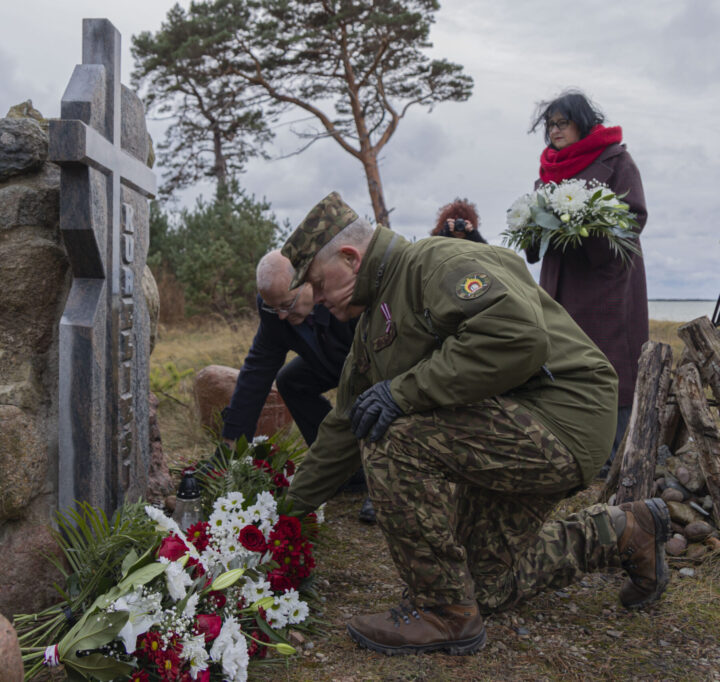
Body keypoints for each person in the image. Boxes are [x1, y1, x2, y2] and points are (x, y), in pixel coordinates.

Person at [279, 191, 670, 656]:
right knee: (485, 589)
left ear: (350, 256)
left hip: (564, 416)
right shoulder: (373, 321)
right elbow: (345, 423)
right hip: (515, 422)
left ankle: (442, 611)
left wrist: (402, 392)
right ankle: (623, 531)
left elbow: (518, 339)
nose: (317, 299)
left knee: (392, 437)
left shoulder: (437, 264)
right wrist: (285, 514)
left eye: (320, 284)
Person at [525, 90, 649, 474]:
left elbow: (634, 217)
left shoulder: (616, 160)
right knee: (563, 359)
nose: (555, 131)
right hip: (560, 284)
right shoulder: (549, 169)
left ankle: (617, 455)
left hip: (606, 284)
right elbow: (537, 227)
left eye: (562, 122)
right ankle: (572, 446)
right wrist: (532, 229)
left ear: (582, 121)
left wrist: (583, 229)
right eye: (550, 125)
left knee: (612, 365)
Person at [221, 250, 373, 522]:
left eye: (287, 305)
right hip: (328, 359)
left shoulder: (342, 293)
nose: (280, 316)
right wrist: (232, 442)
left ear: (308, 284)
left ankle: (379, 482)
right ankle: (344, 474)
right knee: (290, 381)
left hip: (372, 365)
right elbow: (257, 371)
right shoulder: (274, 308)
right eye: (273, 307)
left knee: (372, 400)